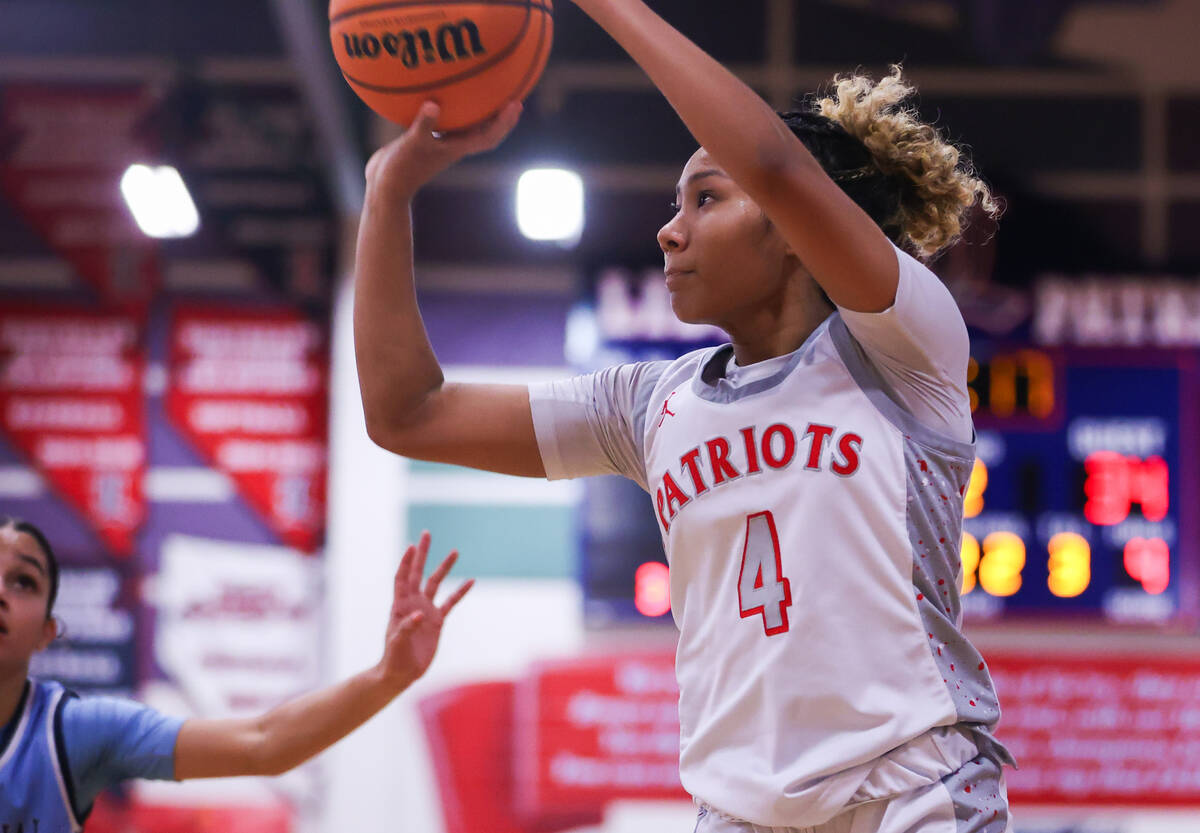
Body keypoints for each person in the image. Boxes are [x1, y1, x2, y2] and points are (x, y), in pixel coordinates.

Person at [353, 1, 1015, 830]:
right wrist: (388, 194)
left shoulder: (904, 346)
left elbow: (773, 163)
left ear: (794, 229)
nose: (669, 232)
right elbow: (407, 413)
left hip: (912, 793)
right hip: (737, 811)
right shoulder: (647, 405)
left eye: (706, 198)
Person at [0, 517, 471, 831]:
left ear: (47, 631)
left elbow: (263, 743)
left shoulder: (74, 731)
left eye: (23, 581)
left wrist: (389, 676)